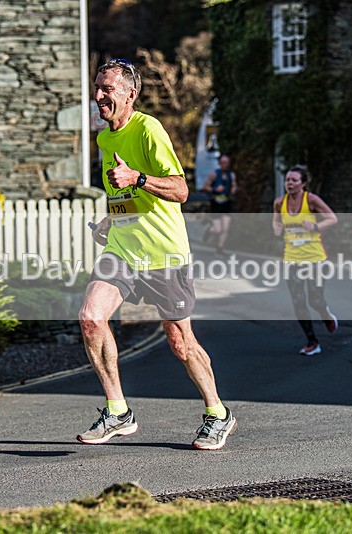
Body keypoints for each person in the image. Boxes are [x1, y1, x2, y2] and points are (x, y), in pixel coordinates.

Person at [78, 58, 236, 450]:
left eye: (107, 90)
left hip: (164, 253)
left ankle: (218, 413)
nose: (99, 96)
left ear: (130, 94)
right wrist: (110, 220)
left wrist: (139, 178)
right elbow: (122, 196)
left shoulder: (149, 129)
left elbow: (181, 190)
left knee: (180, 342)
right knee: (91, 318)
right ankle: (118, 410)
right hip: (123, 250)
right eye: (97, 89)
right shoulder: (104, 138)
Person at [272, 166, 339, 356]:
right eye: (287, 180)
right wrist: (277, 228)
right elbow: (276, 221)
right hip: (291, 259)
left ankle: (326, 315)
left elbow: (332, 218)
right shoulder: (279, 203)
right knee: (298, 301)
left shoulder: (311, 200)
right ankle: (312, 342)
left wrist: (315, 226)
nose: (289, 184)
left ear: (303, 183)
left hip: (315, 258)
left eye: (294, 180)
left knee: (315, 300)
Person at [201, 154, 238, 255]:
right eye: (223, 163)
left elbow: (234, 185)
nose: (226, 165)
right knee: (218, 229)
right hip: (216, 204)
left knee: (226, 228)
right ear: (220, 164)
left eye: (227, 163)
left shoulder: (232, 175)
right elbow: (205, 186)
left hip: (226, 203)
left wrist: (234, 189)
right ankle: (210, 230)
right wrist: (214, 189)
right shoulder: (214, 174)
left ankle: (220, 249)